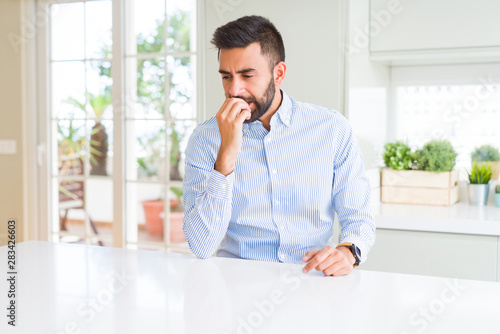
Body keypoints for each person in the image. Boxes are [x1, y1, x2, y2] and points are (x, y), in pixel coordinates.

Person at [182, 15, 375, 276]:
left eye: (247, 75)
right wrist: (226, 156)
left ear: (279, 73)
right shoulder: (205, 140)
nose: (234, 89)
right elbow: (202, 245)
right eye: (226, 76)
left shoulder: (331, 129)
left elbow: (359, 217)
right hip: (237, 287)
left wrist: (348, 251)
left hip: (313, 282)